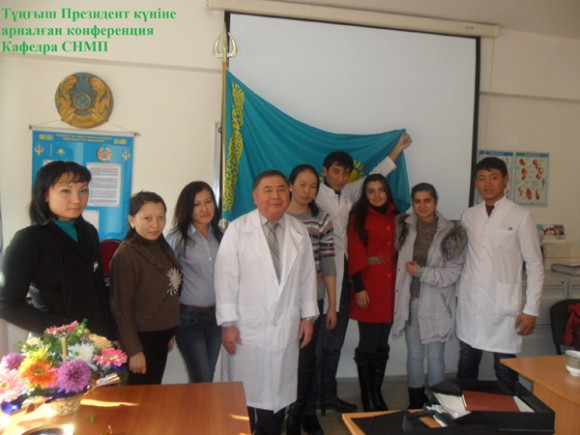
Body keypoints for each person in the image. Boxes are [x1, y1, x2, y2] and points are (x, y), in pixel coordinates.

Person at [215, 170, 318, 435]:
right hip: (245, 328)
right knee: (242, 399)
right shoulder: (238, 230)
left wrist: (308, 317)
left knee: (276, 398)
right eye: (268, 190)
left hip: (285, 326)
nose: (276, 196)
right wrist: (227, 323)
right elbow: (225, 280)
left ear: (289, 193)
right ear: (255, 197)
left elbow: (308, 276)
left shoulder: (299, 231)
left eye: (281, 189)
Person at [315, 132, 412, 414]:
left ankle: (329, 395)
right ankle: (316, 397)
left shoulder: (349, 193)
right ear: (325, 171)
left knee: (335, 341)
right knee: (322, 342)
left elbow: (376, 176)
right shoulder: (314, 196)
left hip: (346, 277)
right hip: (324, 276)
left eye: (345, 173)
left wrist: (397, 149)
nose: (340, 177)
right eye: (335, 171)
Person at [0, 161, 114, 338]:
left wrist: (111, 336)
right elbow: (6, 304)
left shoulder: (89, 232)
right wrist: (65, 330)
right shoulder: (28, 240)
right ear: (45, 194)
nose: (77, 199)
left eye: (83, 190)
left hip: (94, 339)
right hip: (53, 342)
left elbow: (98, 291)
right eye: (66, 191)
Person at [456, 157, 544, 381]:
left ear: (505, 180)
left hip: (504, 306)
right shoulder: (468, 216)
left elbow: (535, 265)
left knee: (505, 367)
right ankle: (466, 403)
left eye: (493, 177)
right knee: (467, 362)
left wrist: (531, 310)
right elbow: (462, 257)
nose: (487, 184)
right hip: (472, 303)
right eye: (482, 178)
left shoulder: (521, 216)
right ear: (475, 182)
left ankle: (510, 404)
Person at [392, 183, 467, 409]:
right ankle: (415, 401)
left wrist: (421, 273)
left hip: (437, 304)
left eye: (427, 200)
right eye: (417, 201)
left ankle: (437, 403)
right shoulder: (404, 227)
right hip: (410, 301)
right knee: (415, 354)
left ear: (436, 202)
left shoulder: (452, 232)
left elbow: (452, 274)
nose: (422, 206)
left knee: (435, 355)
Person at [285, 164, 337, 435]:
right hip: (282, 303)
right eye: (302, 184)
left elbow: (328, 262)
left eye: (313, 186)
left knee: (307, 361)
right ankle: (282, 411)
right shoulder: (278, 215)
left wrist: (332, 305)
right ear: (290, 185)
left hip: (312, 300)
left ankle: (302, 413)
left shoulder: (322, 219)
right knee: (283, 359)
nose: (307, 191)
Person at [110, 191, 182, 385]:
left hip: (160, 337)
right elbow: (121, 309)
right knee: (138, 397)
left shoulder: (161, 245)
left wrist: (168, 332)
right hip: (142, 341)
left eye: (161, 218)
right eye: (147, 218)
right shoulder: (126, 255)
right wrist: (134, 351)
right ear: (132, 220)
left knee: (153, 391)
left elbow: (169, 291)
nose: (155, 225)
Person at [347, 174, 398, 412]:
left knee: (382, 344)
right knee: (368, 343)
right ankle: (368, 395)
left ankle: (377, 391)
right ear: (364, 194)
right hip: (368, 285)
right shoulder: (358, 216)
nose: (377, 195)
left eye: (381, 190)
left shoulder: (398, 216)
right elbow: (354, 250)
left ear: (387, 192)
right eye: (371, 191)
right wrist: (359, 287)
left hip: (392, 286)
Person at [167, 181, 223, 383]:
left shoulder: (220, 234)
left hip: (216, 317)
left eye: (208, 202)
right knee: (202, 377)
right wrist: (168, 326)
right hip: (189, 318)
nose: (204, 209)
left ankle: (198, 405)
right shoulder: (177, 238)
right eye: (197, 204)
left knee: (207, 375)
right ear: (187, 208)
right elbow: (167, 282)